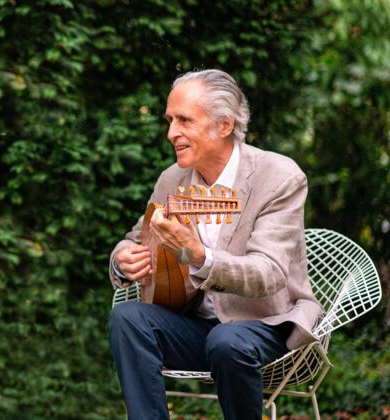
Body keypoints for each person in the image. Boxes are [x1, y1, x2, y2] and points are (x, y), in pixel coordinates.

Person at [108, 69, 324, 420]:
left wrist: (199, 255)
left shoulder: (279, 176)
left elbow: (268, 273)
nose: (171, 133)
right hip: (197, 326)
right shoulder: (172, 179)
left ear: (224, 125)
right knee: (128, 318)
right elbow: (135, 238)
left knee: (227, 341)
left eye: (184, 120)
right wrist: (122, 259)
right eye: (170, 121)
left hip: (267, 324)